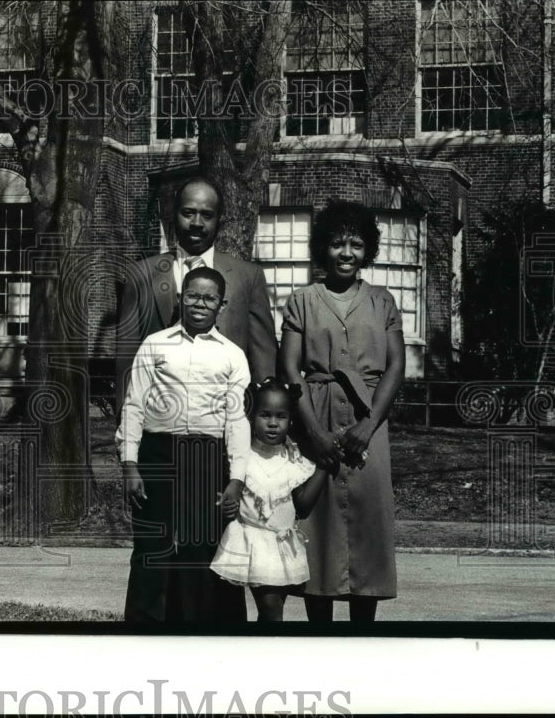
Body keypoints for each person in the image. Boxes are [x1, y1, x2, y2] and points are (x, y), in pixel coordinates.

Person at [279, 199, 405, 623]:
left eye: (355, 244)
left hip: (371, 417)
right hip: (315, 413)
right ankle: (319, 634)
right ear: (322, 249)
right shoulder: (302, 300)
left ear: (367, 250)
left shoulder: (383, 301)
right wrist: (311, 431)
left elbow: (395, 367)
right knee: (319, 527)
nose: (346, 253)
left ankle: (362, 636)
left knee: (367, 526)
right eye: (336, 243)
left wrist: (369, 425)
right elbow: (289, 368)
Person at [118, 266, 250, 622]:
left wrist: (236, 480)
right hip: (156, 453)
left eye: (209, 298)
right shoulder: (155, 344)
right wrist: (130, 465)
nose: (199, 304)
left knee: (201, 546)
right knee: (152, 546)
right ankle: (144, 629)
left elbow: (237, 421)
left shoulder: (232, 355)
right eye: (192, 295)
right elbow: (133, 405)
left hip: (207, 457)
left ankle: (197, 630)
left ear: (221, 305)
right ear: (181, 298)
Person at [115, 178, 278, 413]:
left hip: (225, 420)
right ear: (174, 215)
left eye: (207, 215)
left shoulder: (247, 276)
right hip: (158, 421)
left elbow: (263, 356)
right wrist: (125, 420)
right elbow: (127, 359)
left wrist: (264, 420)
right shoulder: (141, 274)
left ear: (219, 220)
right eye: (188, 213)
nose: (197, 223)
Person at [210, 379, 329, 622]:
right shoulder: (242, 458)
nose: (273, 423)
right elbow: (225, 495)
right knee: (272, 609)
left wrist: (324, 468)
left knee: (272, 610)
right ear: (252, 417)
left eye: (281, 416)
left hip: (282, 545)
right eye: (265, 415)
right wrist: (226, 505)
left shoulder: (292, 459)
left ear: (291, 420)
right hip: (251, 541)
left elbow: (303, 507)